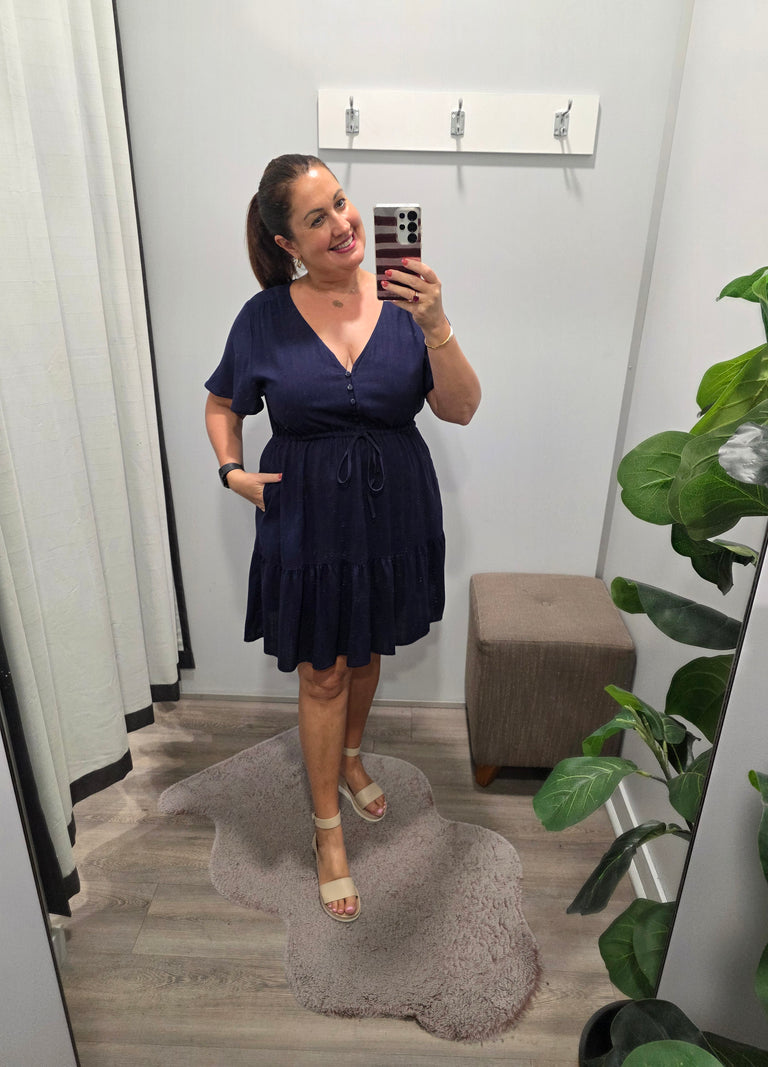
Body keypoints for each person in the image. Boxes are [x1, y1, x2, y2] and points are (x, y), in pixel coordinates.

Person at [204, 154, 481, 922]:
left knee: (365, 649)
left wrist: (436, 324)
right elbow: (223, 402)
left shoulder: (404, 300)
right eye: (316, 217)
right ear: (287, 242)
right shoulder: (262, 318)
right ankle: (328, 829)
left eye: (342, 202)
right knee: (322, 671)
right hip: (308, 518)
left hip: (395, 514)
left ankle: (351, 758)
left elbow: (461, 408)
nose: (342, 223)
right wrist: (232, 471)